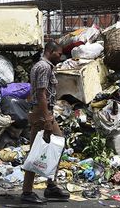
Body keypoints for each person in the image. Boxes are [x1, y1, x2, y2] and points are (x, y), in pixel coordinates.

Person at [21, 41, 70, 204]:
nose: (60, 56)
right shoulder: (44, 67)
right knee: (36, 150)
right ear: (50, 51)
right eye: (58, 53)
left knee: (57, 144)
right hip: (42, 113)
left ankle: (51, 185)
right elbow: (41, 94)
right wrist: (47, 118)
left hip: (42, 111)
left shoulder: (41, 66)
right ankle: (27, 192)